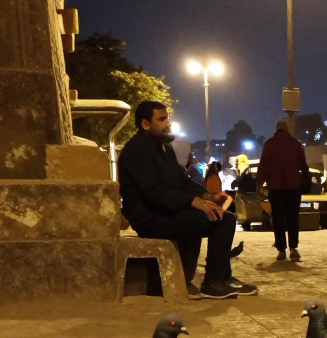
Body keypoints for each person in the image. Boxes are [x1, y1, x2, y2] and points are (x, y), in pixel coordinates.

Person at [117, 100, 256, 300]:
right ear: (145, 124)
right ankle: (213, 282)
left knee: (225, 216)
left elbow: (182, 181)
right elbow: (154, 192)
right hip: (150, 218)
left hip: (166, 212)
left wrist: (210, 196)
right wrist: (194, 202)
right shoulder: (135, 151)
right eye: (162, 119)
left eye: (168, 118)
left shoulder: (164, 148)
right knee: (220, 221)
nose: (168, 123)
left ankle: (223, 278)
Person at [256, 118, 310, 262]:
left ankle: (281, 250)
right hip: (293, 188)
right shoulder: (295, 144)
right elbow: (303, 165)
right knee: (293, 219)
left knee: (278, 220)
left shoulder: (269, 145)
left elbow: (263, 168)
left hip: (275, 188)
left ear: (276, 129)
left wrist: (259, 187)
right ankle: (293, 248)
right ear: (286, 128)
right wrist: (306, 182)